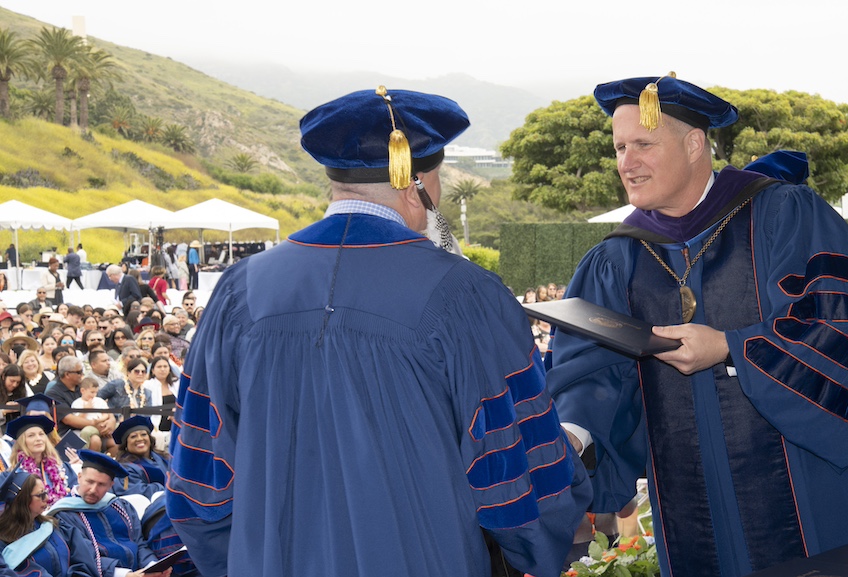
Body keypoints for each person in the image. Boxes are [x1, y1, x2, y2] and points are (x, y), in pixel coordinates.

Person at [167, 87, 592, 577]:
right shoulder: (465, 293)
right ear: (419, 185)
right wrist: (540, 548)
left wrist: (243, 559)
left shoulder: (240, 289)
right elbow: (514, 474)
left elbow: (198, 470)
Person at [546, 74, 848, 577]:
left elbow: (839, 332)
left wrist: (732, 348)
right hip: (689, 506)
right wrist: (574, 433)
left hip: (812, 491)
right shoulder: (618, 259)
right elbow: (594, 373)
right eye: (619, 148)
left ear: (693, 144)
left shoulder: (784, 216)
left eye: (643, 144)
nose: (627, 163)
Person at [47, 450, 172, 577]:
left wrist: (152, 565)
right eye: (89, 482)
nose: (93, 490)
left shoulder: (122, 507)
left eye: (101, 484)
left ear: (111, 485)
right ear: (79, 477)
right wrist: (124, 575)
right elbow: (83, 558)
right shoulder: (64, 514)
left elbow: (139, 544)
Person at [0, 469, 101, 577]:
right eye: (40, 495)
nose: (47, 499)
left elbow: (84, 562)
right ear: (22, 500)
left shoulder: (56, 527)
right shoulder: (3, 540)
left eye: (46, 492)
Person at [6, 415, 70, 505]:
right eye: (31, 436)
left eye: (41, 434)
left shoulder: (60, 467)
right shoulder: (17, 474)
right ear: (22, 442)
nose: (38, 439)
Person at [111, 416, 169, 499]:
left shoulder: (163, 457)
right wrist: (170, 488)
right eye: (133, 436)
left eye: (143, 434)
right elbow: (134, 493)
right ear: (125, 444)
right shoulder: (124, 469)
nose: (140, 439)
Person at [71, 376, 112, 452]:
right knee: (86, 432)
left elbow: (106, 414)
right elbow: (78, 419)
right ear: (83, 391)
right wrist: (85, 410)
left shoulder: (99, 401)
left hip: (102, 424)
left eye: (96, 392)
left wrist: (100, 420)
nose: (94, 395)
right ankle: (83, 454)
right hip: (89, 427)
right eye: (92, 392)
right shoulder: (77, 403)